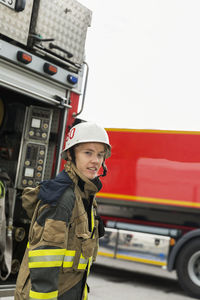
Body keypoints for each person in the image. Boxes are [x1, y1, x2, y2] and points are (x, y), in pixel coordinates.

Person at [14, 121, 111, 300]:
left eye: (100, 155)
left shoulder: (85, 195)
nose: (95, 160)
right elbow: (45, 261)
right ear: (71, 155)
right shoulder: (64, 198)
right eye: (88, 153)